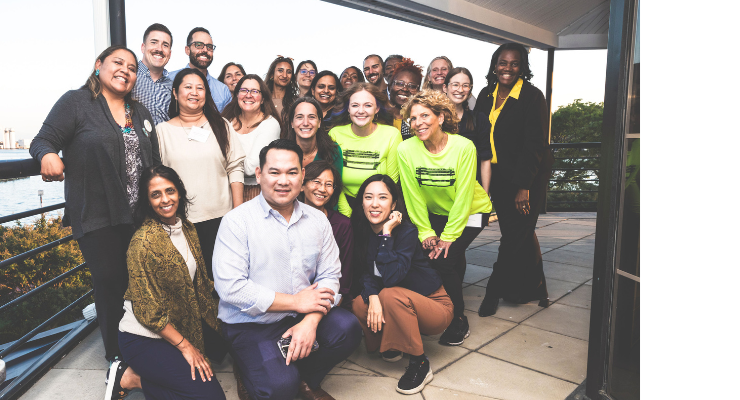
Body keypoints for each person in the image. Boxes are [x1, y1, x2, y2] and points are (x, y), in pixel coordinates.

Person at [30, 46, 160, 372]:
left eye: (132, 67)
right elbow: (43, 140)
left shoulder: (140, 112)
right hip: (97, 212)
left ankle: (140, 346)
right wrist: (47, 156)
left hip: (139, 215)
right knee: (110, 278)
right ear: (99, 65)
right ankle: (117, 358)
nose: (125, 71)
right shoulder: (76, 102)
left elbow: (153, 163)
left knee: (138, 280)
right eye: (118, 63)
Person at [213, 139, 362, 400]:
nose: (283, 180)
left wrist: (311, 320)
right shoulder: (236, 222)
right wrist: (295, 302)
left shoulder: (317, 220)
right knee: (278, 388)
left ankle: (302, 377)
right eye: (274, 172)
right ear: (259, 175)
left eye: (292, 172)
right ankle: (259, 369)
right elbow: (230, 289)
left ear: (302, 176)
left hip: (302, 316)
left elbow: (330, 275)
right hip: (253, 323)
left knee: (347, 329)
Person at [111, 165, 226, 400]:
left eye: (170, 191)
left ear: (180, 193)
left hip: (176, 329)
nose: (165, 199)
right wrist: (186, 347)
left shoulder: (187, 228)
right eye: (156, 194)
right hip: (143, 336)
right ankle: (130, 378)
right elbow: (148, 311)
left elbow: (201, 285)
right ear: (147, 200)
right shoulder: (142, 242)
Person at [397, 89, 492, 346]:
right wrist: (426, 232)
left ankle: (457, 319)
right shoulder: (406, 149)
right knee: (435, 255)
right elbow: (412, 194)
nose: (418, 123)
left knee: (445, 260)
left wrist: (449, 237)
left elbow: (463, 195)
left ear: (440, 117)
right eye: (413, 118)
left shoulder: (464, 146)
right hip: (437, 212)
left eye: (425, 115)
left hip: (472, 212)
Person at [349, 174, 453, 395]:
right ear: (362, 202)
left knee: (389, 293)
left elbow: (391, 277)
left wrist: (386, 233)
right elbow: (366, 273)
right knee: (360, 303)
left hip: (434, 306)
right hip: (399, 299)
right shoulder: (363, 231)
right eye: (368, 197)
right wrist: (373, 297)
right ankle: (391, 345)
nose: (374, 204)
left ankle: (420, 363)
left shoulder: (406, 232)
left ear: (394, 204)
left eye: (382, 197)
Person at [474, 42, 554, 317]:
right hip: (496, 176)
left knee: (513, 237)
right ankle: (533, 289)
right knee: (518, 234)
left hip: (526, 178)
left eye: (514, 63)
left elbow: (535, 145)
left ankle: (493, 293)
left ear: (523, 67)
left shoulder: (532, 97)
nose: (508, 68)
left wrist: (524, 187)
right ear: (495, 65)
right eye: (503, 63)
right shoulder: (486, 95)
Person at [156, 68, 245, 279]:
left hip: (221, 220)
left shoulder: (221, 126)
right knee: (188, 283)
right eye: (188, 87)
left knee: (222, 281)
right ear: (176, 93)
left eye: (200, 88)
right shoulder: (162, 131)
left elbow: (235, 168)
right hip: (179, 222)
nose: (194, 92)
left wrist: (239, 214)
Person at [328, 83, 400, 217]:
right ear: (348, 109)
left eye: (368, 105)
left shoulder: (392, 135)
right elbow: (333, 181)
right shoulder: (335, 134)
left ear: (377, 108)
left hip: (378, 207)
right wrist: (347, 214)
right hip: (343, 206)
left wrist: (371, 213)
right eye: (355, 105)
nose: (361, 110)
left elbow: (391, 183)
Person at [300, 161, 353, 304]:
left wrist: (336, 299)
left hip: (330, 298)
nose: (322, 189)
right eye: (316, 182)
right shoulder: (288, 219)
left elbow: (346, 272)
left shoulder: (342, 225)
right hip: (293, 298)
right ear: (302, 185)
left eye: (329, 184)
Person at [222, 74, 282, 202]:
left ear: (262, 99)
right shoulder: (226, 121)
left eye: (255, 91)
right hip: (224, 191)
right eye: (243, 90)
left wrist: (222, 163)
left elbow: (251, 169)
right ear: (237, 95)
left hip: (254, 192)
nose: (248, 95)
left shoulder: (270, 124)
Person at [443, 67, 489, 188]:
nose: (460, 89)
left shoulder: (479, 119)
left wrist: (485, 193)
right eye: (455, 85)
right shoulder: (434, 120)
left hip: (471, 187)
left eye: (465, 85)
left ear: (470, 90)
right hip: (440, 188)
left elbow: (485, 160)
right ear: (445, 88)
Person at [169, 27, 232, 112]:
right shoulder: (169, 80)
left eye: (209, 47)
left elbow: (226, 123)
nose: (205, 50)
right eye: (199, 45)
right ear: (187, 50)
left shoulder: (223, 90)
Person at [281, 97, 343, 175]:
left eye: (311, 117)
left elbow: (336, 186)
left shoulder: (333, 152)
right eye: (299, 117)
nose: (306, 123)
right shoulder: (280, 152)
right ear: (292, 123)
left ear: (319, 122)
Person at [131, 23, 174, 126]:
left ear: (170, 53)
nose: (159, 49)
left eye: (165, 45)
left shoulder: (173, 86)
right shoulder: (128, 77)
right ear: (143, 47)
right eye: (154, 42)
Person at [387, 58, 422, 140]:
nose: (405, 89)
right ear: (389, 87)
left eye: (412, 86)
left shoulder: (421, 122)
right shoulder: (379, 117)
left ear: (419, 92)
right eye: (399, 83)